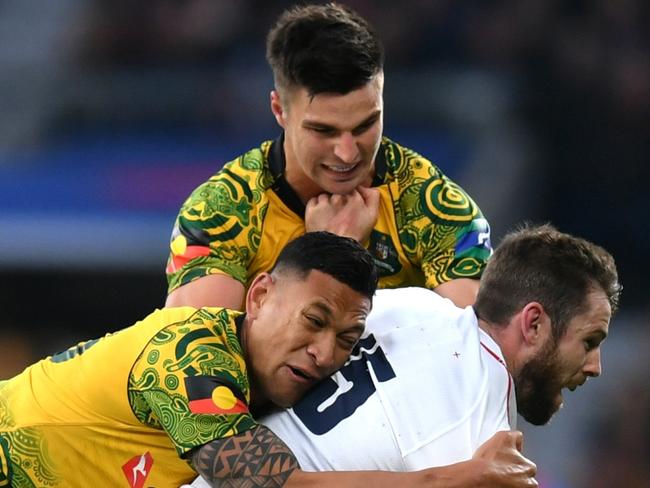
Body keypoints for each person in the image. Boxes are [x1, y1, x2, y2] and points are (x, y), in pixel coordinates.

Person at [190, 224, 620, 487]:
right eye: (589, 340)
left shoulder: (414, 305)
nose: (594, 366)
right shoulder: (481, 446)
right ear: (534, 324)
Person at [165, 2, 492, 311]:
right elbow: (195, 355)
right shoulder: (220, 212)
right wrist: (328, 255)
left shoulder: (434, 207)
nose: (348, 153)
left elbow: (482, 351)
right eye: (324, 131)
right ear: (280, 110)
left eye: (366, 124)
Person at [0, 232, 378, 487]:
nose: (325, 353)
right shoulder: (189, 353)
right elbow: (266, 483)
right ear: (260, 296)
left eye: (346, 339)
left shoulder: (264, 383)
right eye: (313, 321)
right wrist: (431, 481)